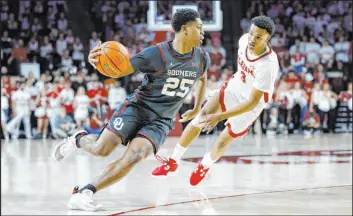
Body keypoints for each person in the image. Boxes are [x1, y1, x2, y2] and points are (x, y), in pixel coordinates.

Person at [52, 9, 209, 211]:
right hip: (137, 108)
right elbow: (122, 69)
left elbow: (202, 79)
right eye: (199, 27)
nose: (202, 32)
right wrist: (98, 61)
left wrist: (197, 108)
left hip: (161, 120)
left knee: (136, 155)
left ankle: (85, 192)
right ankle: (78, 140)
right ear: (186, 29)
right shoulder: (156, 54)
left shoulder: (202, 58)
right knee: (101, 150)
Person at [152, 15, 279, 186]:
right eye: (251, 34)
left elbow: (251, 102)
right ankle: (173, 161)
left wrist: (219, 117)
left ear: (267, 38)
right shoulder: (243, 41)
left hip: (251, 103)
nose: (252, 39)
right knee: (201, 117)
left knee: (224, 139)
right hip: (235, 87)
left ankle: (205, 165)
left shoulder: (267, 65)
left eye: (259, 37)